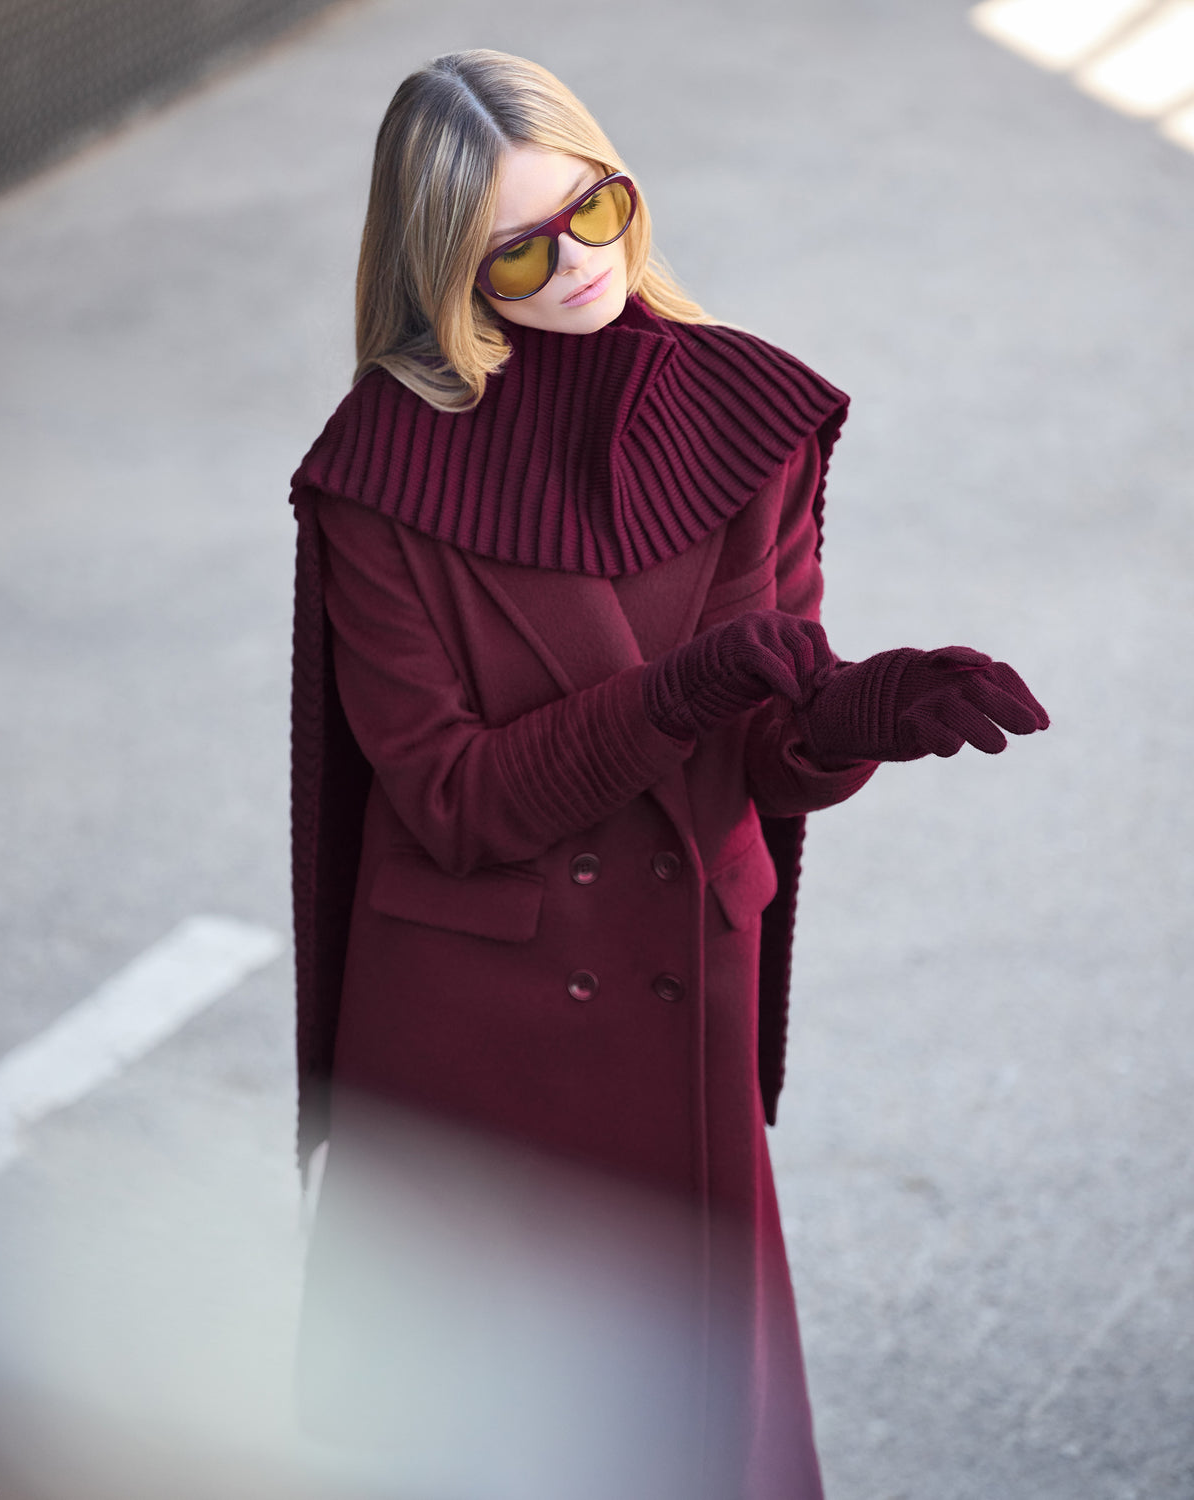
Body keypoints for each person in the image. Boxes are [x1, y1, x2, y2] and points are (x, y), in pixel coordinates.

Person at [287, 48, 1048, 1500]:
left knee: (704, 1451)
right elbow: (448, 798)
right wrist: (675, 693)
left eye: (596, 208)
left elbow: (764, 738)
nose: (575, 261)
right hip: (480, 1037)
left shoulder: (745, 412)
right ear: (442, 265)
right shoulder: (377, 473)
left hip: (676, 989)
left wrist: (854, 720)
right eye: (515, 245)